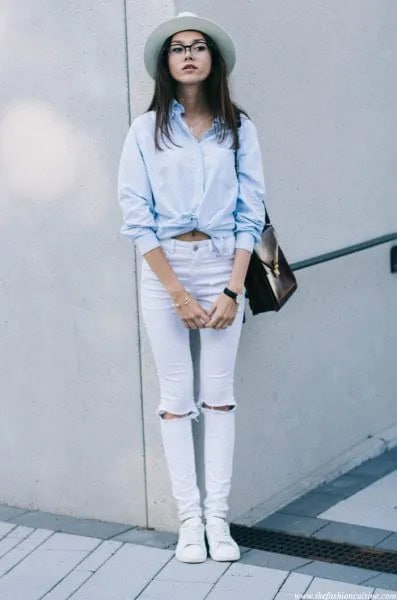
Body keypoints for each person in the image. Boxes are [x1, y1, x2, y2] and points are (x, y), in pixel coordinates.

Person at [117, 11, 266, 564]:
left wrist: (231, 291)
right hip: (166, 270)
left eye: (198, 47)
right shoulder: (145, 129)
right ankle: (188, 521)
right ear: (166, 62)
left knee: (220, 397)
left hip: (225, 263)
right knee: (176, 399)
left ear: (212, 60)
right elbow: (136, 218)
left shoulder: (239, 128)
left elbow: (251, 213)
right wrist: (178, 292)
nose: (187, 54)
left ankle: (218, 521)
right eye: (177, 47)